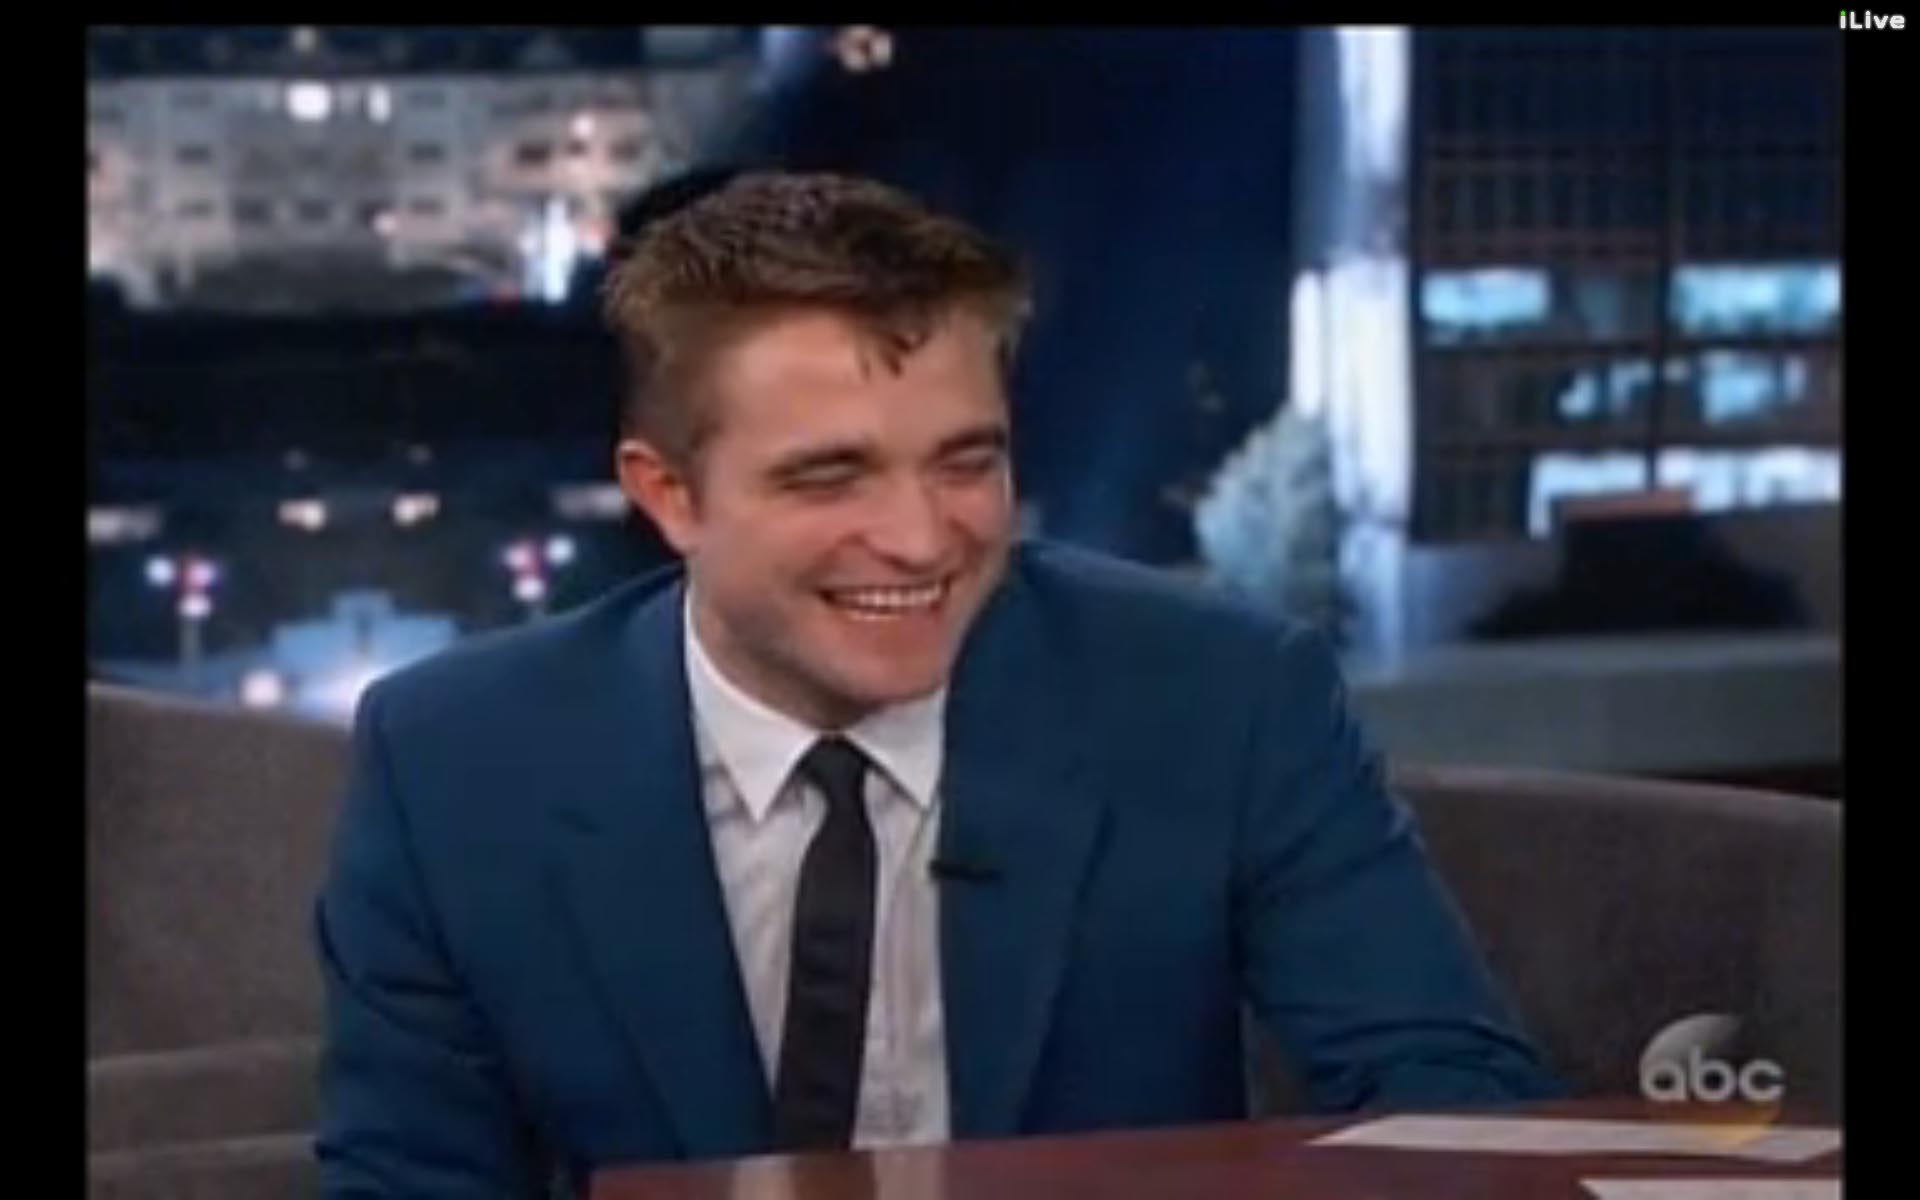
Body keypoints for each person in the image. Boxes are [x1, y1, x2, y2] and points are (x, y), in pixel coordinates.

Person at [314, 171, 1562, 1196]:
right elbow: (410, 1181)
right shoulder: (457, 764)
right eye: (830, 476)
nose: (921, 541)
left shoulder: (1221, 698)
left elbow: (1452, 1105)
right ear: (669, 495)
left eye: (966, 463)